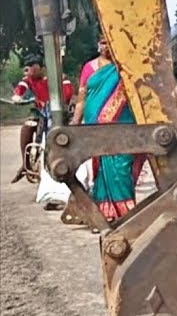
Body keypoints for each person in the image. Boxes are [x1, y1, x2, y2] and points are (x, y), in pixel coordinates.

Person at [72, 36, 146, 221]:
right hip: (95, 123)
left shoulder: (125, 68)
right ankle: (105, 211)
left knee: (122, 165)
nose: (106, 46)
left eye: (109, 42)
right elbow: (82, 98)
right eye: (103, 42)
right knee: (100, 167)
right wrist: (75, 122)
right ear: (98, 44)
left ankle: (125, 210)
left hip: (123, 124)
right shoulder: (89, 68)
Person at [10, 54, 74, 184]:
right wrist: (17, 95)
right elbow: (21, 87)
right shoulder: (29, 80)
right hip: (40, 112)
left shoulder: (57, 77)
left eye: (31, 68)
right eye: (27, 68)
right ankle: (25, 163)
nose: (28, 71)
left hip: (57, 112)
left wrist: (54, 102)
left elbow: (68, 92)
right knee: (27, 127)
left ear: (39, 67)